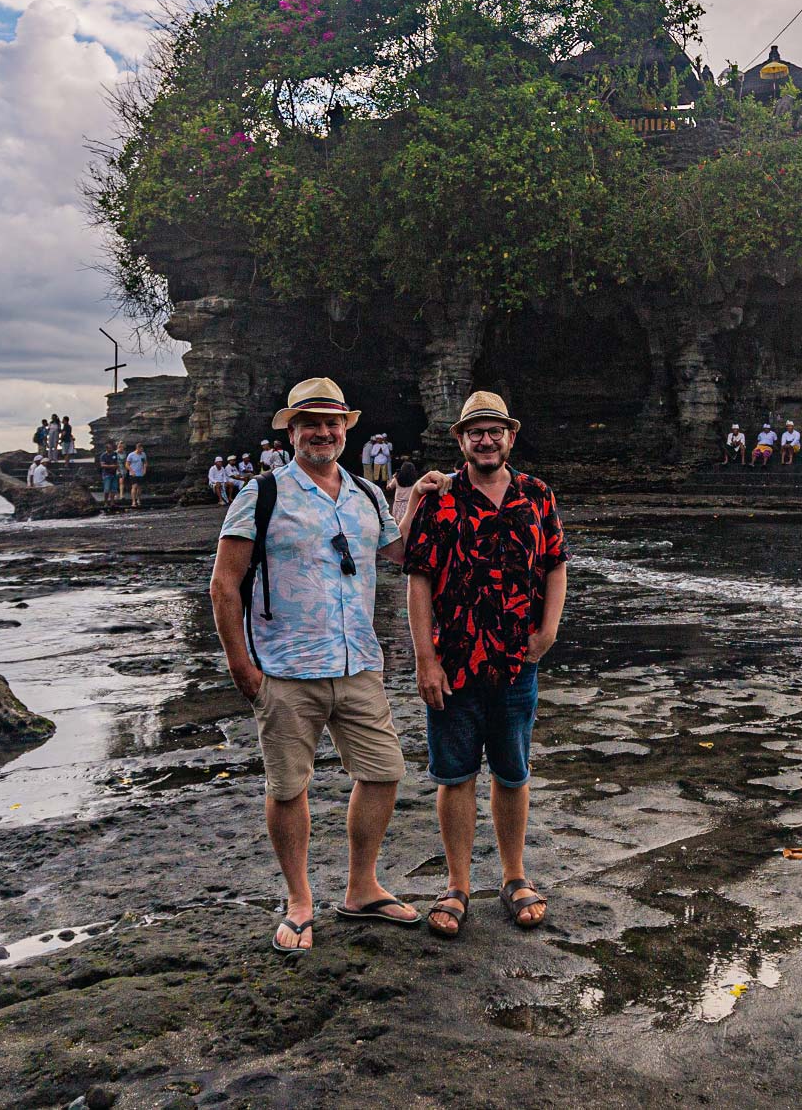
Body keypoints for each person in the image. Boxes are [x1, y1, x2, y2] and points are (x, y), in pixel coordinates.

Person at [208, 376, 433, 952]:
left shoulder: (365, 493)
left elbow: (397, 553)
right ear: (291, 431)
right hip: (285, 668)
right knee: (289, 787)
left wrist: (422, 503)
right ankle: (300, 901)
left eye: (333, 423)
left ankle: (362, 888)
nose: (324, 432)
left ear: (345, 431)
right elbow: (224, 585)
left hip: (358, 661)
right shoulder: (261, 494)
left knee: (384, 772)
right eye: (311, 423)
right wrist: (242, 666)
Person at [404, 391, 568, 939]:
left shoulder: (536, 495)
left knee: (512, 772)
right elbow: (418, 576)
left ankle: (515, 877)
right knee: (455, 776)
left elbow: (555, 565)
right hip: (452, 665)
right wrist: (425, 660)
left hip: (516, 663)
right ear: (461, 440)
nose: (485, 438)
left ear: (510, 437)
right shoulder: (440, 499)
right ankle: (456, 885)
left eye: (494, 429)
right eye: (475, 430)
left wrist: (546, 632)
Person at [124, 443, 147, 509]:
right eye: (141, 448)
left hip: (141, 473)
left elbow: (145, 462)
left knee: (139, 487)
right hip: (133, 473)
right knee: (134, 486)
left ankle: (138, 499)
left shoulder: (143, 454)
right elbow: (127, 464)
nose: (142, 450)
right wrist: (131, 471)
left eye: (142, 449)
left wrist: (144, 470)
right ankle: (133, 501)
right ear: (137, 448)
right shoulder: (131, 455)